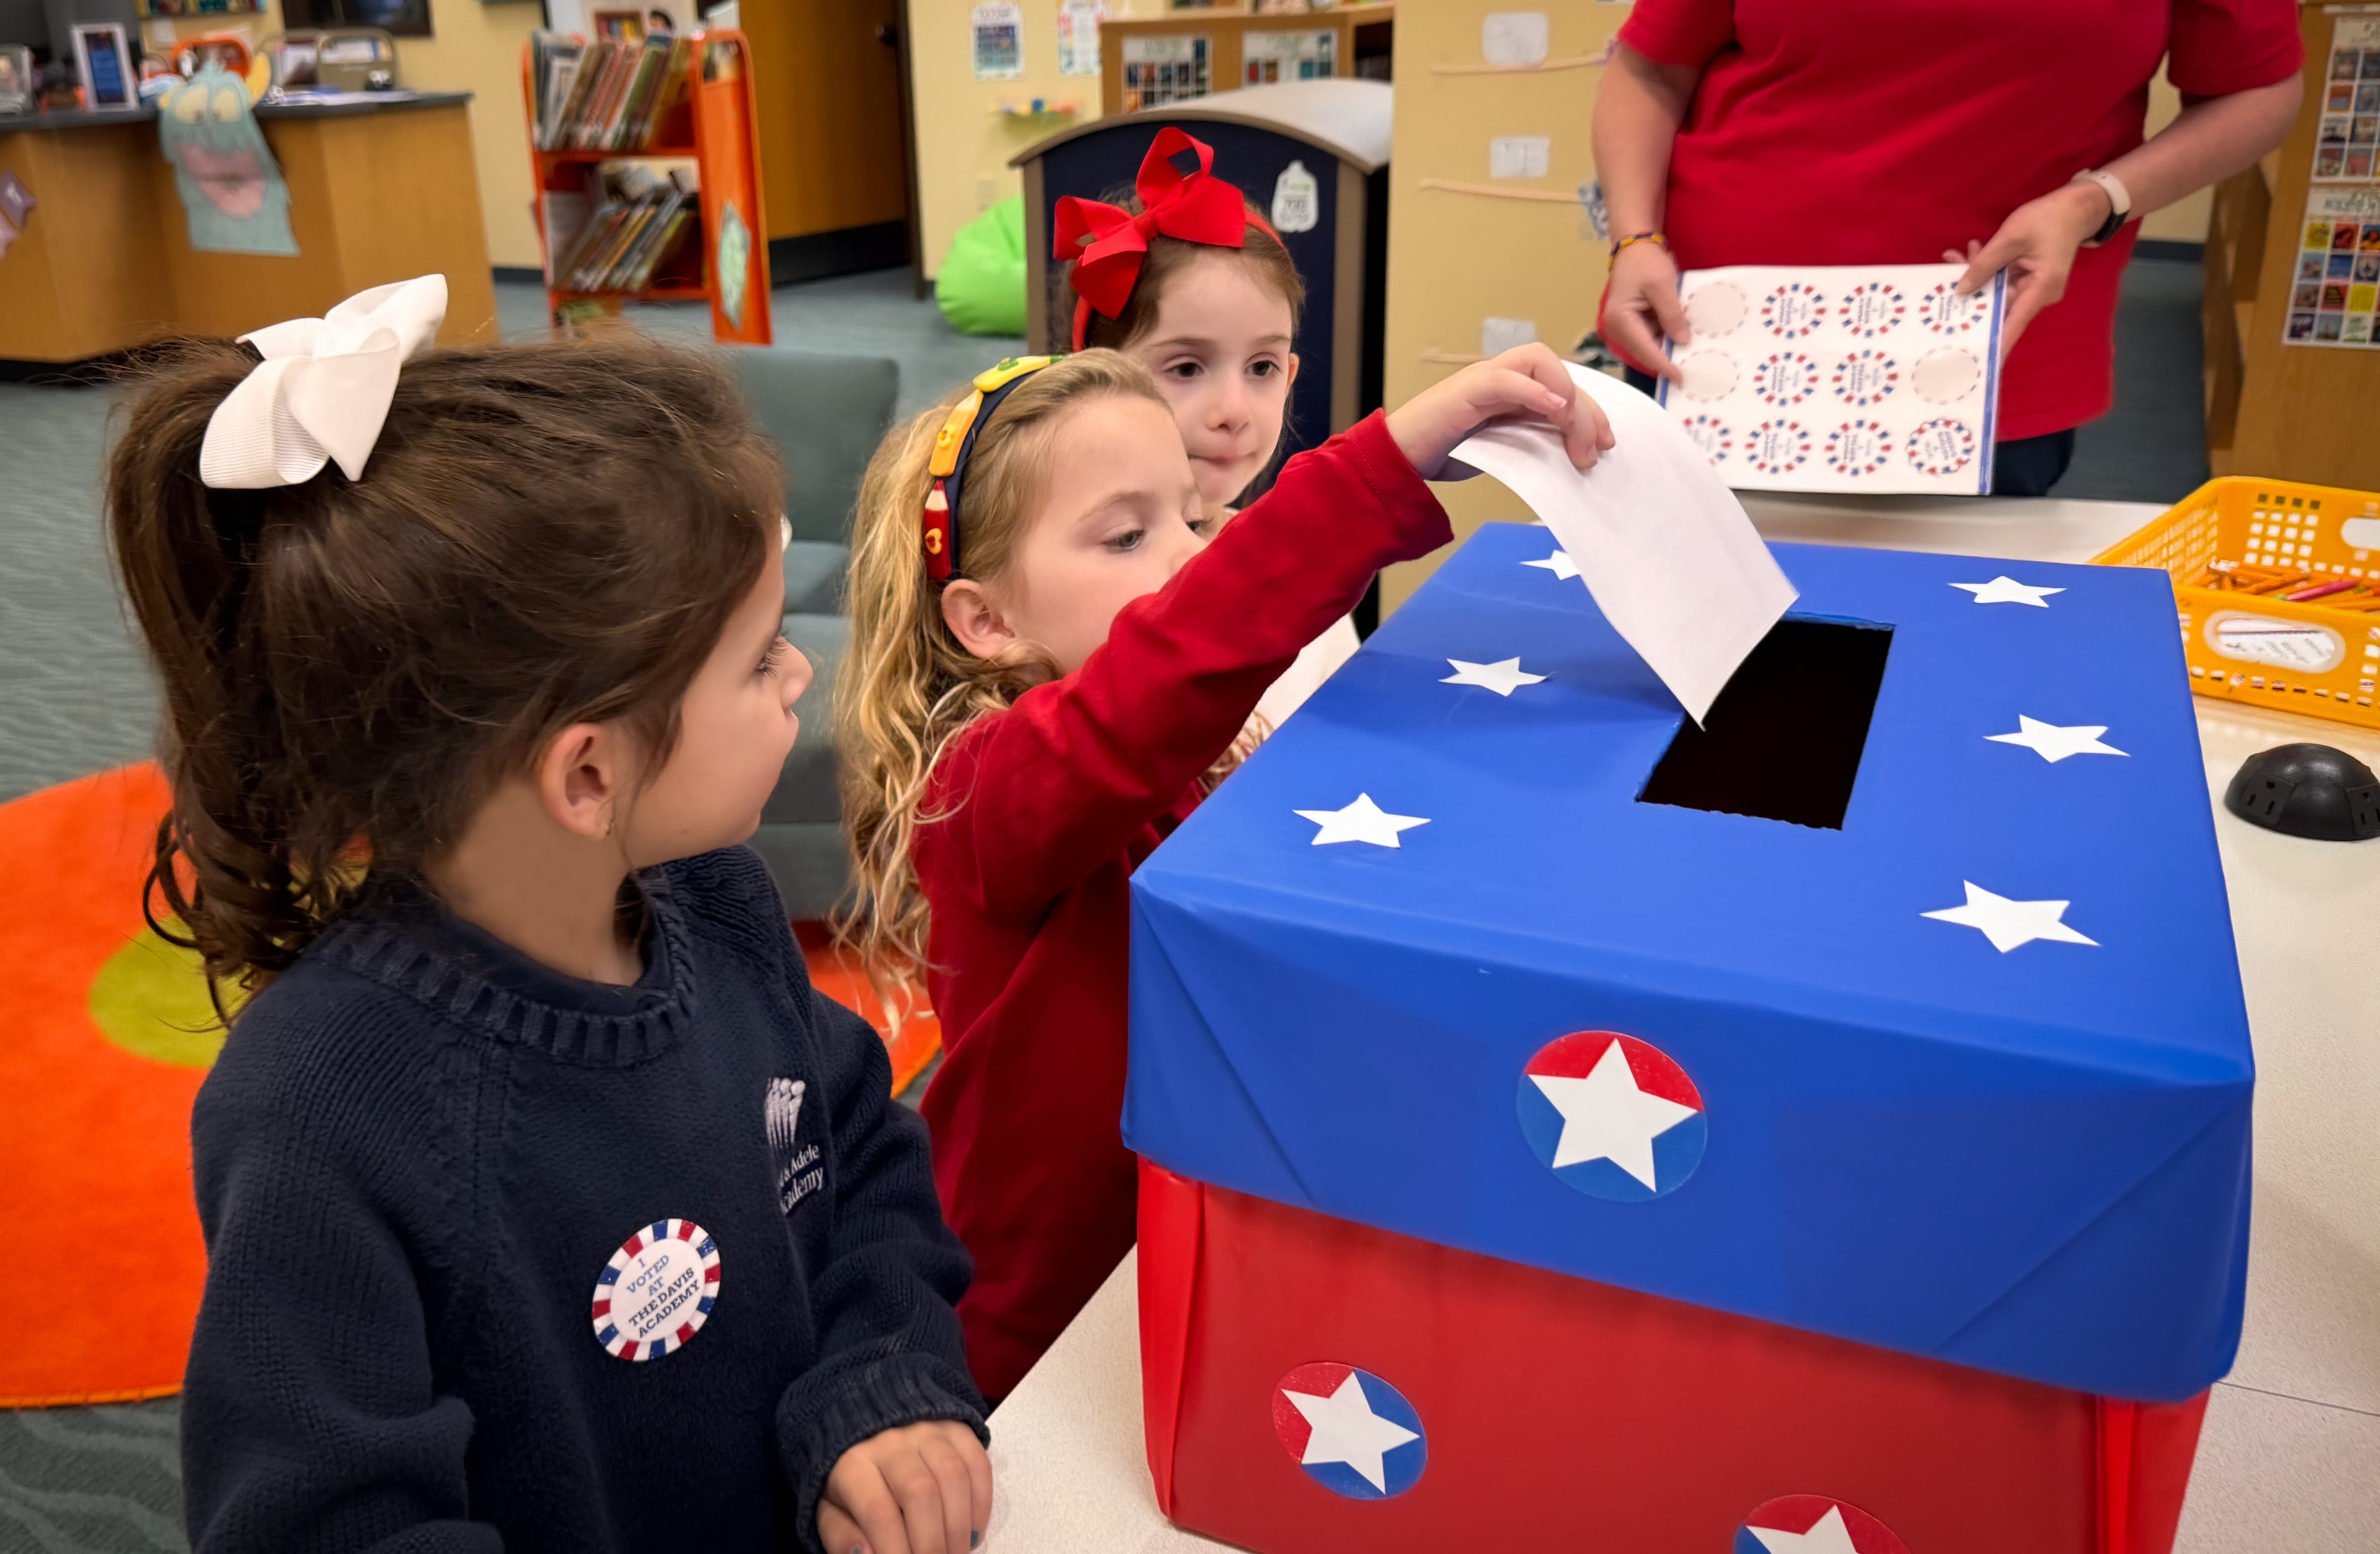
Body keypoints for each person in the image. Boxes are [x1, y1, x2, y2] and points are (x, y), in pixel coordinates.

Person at [111, 276, 989, 1554]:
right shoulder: (319, 1113)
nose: (802, 671)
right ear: (587, 775)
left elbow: (857, 1155)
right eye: (757, 659)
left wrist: (881, 1383)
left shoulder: (720, 903)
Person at [835, 344, 1613, 1400]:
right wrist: (1377, 468)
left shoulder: (1189, 749)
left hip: (1200, 1237)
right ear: (989, 621)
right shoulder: (981, 794)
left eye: (1191, 523)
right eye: (1126, 535)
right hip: (1048, 1322)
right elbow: (1159, 680)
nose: (1189, 559)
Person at [1592, 0, 2305, 494]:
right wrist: (1634, 236)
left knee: (1945, 661)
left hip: (1990, 350)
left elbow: (2258, 87)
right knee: (1676, 642)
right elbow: (1652, 67)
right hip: (1718, 340)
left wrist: (2096, 201)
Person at [1059, 126, 1354, 726]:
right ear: (1095, 379)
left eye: (1263, 367)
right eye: (1187, 367)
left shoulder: (1302, 575)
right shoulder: (1071, 589)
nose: (1233, 411)